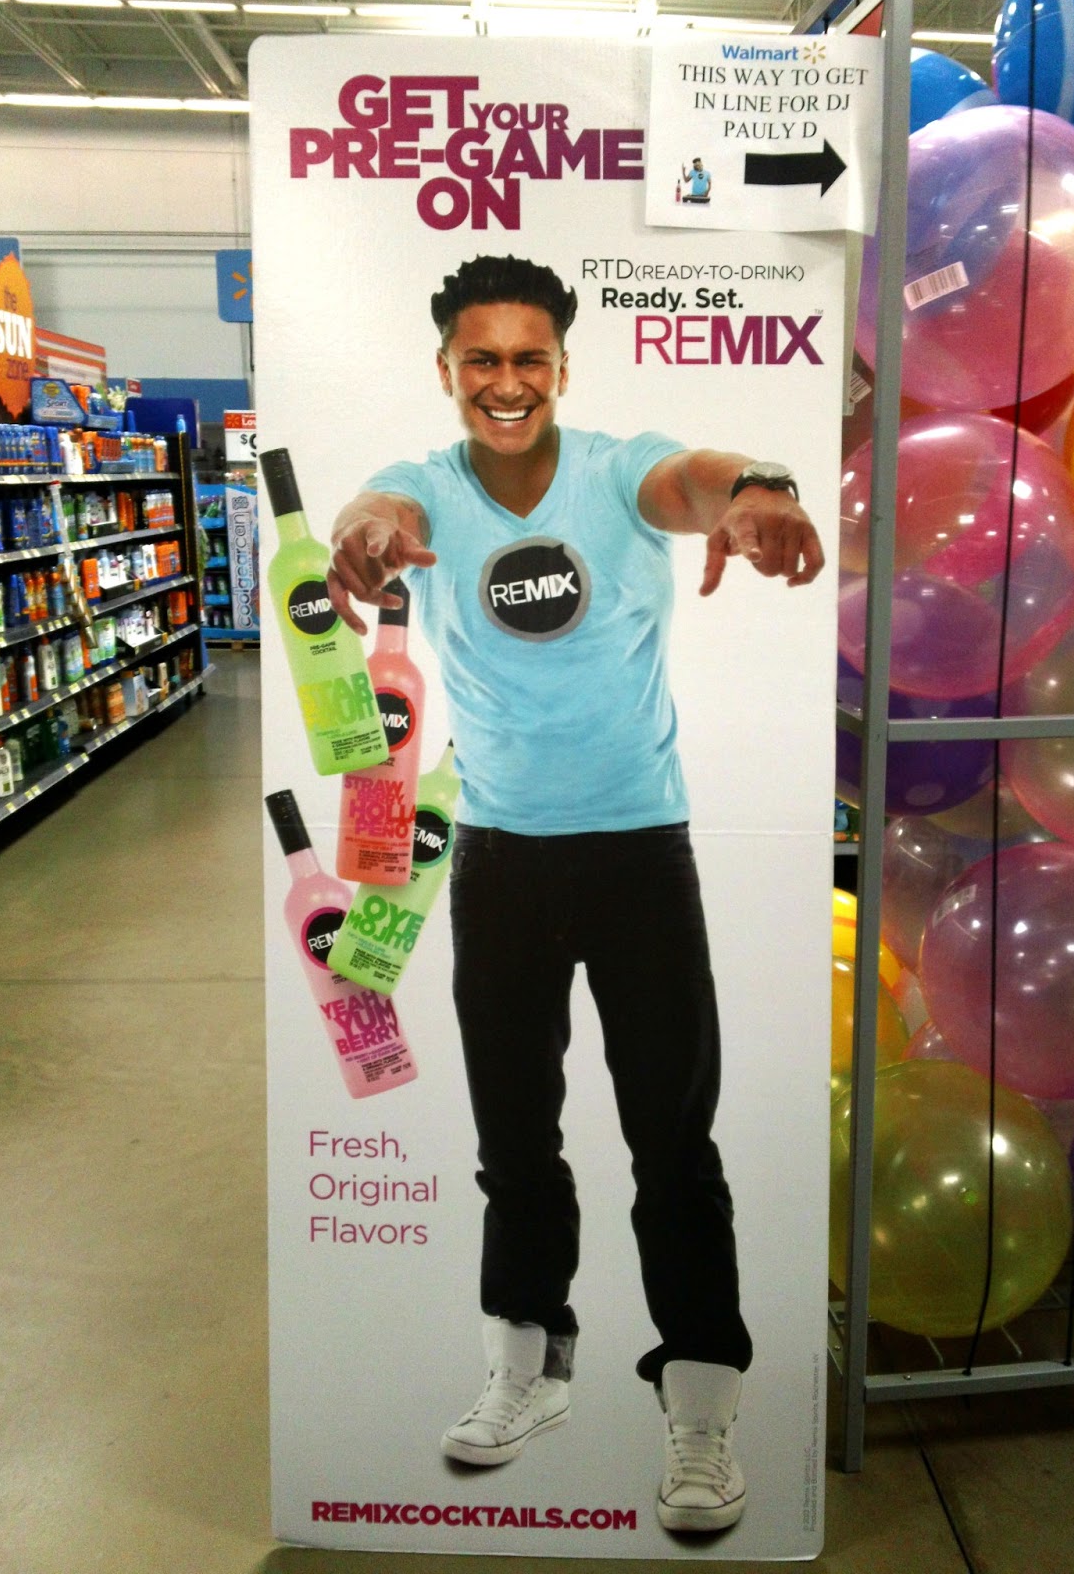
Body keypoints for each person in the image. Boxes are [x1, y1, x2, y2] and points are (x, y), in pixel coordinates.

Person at [327, 254, 822, 1535]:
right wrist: (363, 533)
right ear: (447, 369)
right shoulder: (426, 491)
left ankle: (700, 1401)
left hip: (639, 852)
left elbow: (693, 477)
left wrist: (754, 491)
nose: (508, 382)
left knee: (673, 1141)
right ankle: (529, 1368)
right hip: (499, 859)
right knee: (515, 1143)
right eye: (482, 360)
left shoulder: (616, 471)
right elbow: (378, 509)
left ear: (562, 366)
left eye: (530, 358)